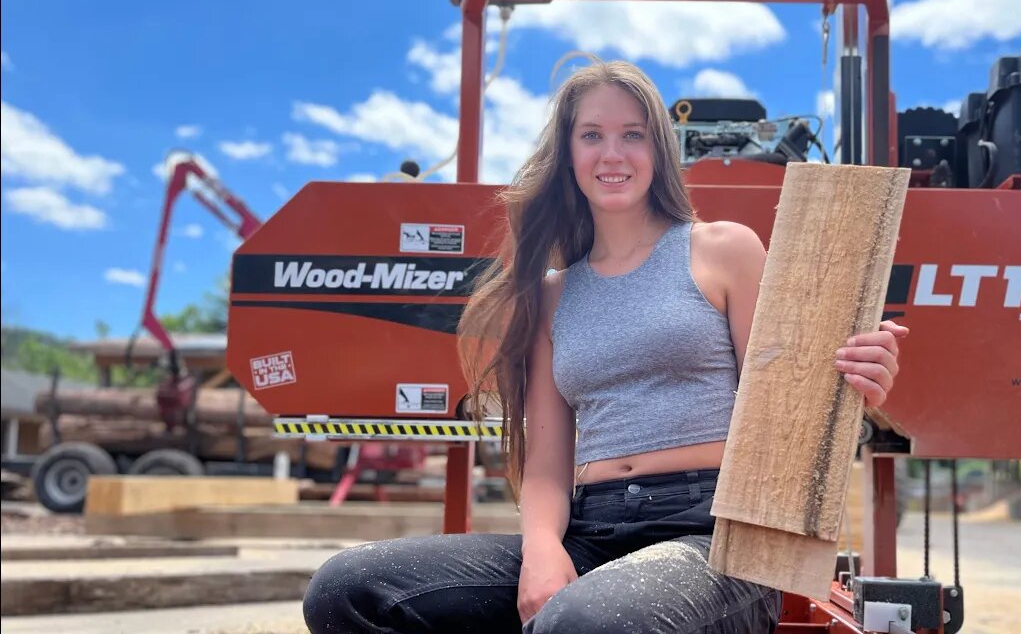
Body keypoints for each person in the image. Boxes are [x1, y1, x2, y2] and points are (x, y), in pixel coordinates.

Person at [302, 59, 908, 633]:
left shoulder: (724, 251)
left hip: (714, 536)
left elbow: (789, 403)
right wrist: (542, 551)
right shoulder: (553, 296)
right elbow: (544, 464)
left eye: (633, 135)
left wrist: (855, 380)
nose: (612, 153)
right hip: (590, 529)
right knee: (347, 590)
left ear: (659, 151)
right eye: (592, 135)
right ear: (568, 155)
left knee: (585, 623)